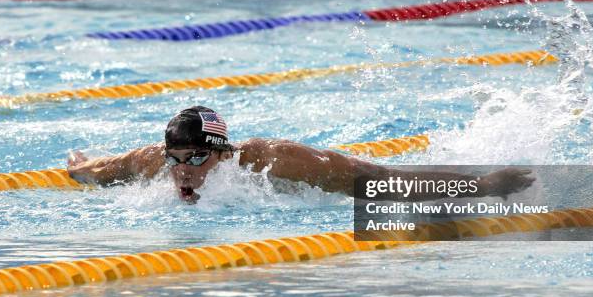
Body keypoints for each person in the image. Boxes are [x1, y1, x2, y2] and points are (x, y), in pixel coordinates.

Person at [67, 106, 534, 204]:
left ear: (222, 154)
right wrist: (81, 169)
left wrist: (484, 185)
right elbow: (101, 170)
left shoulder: (273, 162)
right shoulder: (157, 160)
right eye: (175, 160)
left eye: (195, 160)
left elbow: (378, 178)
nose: (181, 173)